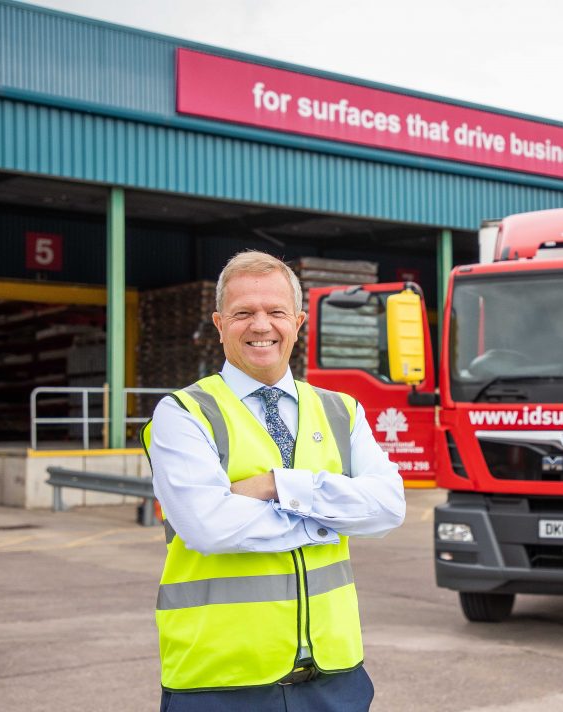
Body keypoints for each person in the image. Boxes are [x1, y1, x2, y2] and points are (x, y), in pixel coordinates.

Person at [142, 250, 406, 712]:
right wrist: (334, 517)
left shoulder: (341, 410)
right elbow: (210, 526)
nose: (261, 326)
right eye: (244, 313)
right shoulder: (183, 413)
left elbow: (388, 508)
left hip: (334, 678)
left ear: (298, 321)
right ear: (219, 324)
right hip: (221, 681)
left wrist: (276, 486)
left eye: (276, 312)